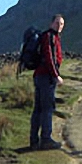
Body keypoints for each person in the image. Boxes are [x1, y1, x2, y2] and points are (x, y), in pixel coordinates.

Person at [30, 14, 65, 151]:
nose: (59, 26)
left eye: (61, 24)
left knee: (38, 109)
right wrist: (55, 75)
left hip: (40, 76)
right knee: (47, 108)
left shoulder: (49, 36)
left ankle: (34, 140)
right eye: (57, 23)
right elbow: (49, 56)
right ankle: (46, 139)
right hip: (46, 77)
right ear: (51, 23)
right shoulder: (49, 36)